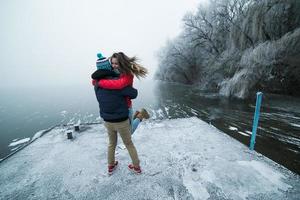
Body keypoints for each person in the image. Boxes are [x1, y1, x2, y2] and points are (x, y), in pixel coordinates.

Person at [93, 56, 142, 175]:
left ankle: (111, 165)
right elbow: (133, 93)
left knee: (111, 143)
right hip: (121, 120)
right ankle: (136, 167)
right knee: (129, 143)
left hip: (107, 120)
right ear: (109, 67)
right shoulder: (116, 83)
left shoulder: (96, 85)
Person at [93, 52, 150, 134]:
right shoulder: (114, 71)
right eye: (112, 63)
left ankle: (140, 115)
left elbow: (119, 85)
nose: (113, 65)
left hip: (126, 106)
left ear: (121, 63)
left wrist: (100, 83)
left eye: (116, 63)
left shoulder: (127, 75)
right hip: (119, 107)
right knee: (124, 130)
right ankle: (138, 114)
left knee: (129, 132)